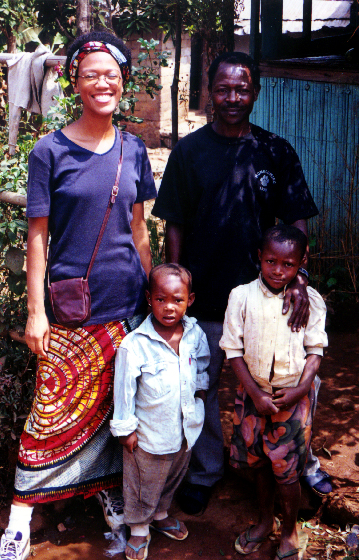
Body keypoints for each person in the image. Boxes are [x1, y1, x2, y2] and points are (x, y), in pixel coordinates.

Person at [0, 31, 157, 560]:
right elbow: (37, 235)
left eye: (112, 75)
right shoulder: (50, 150)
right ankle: (20, 520)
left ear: (123, 82)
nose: (103, 83)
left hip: (124, 308)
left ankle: (109, 497)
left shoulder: (134, 150)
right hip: (69, 312)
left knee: (114, 411)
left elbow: (139, 229)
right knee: (49, 412)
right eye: (92, 74)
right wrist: (35, 311)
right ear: (75, 81)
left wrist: (154, 297)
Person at [152, 51, 331, 515]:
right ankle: (208, 470)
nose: (233, 97)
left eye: (242, 88)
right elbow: (174, 222)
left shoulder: (275, 151)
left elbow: (295, 220)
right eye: (224, 88)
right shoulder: (189, 152)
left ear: (255, 92)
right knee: (204, 387)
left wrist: (299, 279)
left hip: (269, 301)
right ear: (210, 93)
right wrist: (179, 285)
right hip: (206, 296)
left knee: (284, 381)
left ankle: (290, 463)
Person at [220, 224, 328, 560]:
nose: (278, 270)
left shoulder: (310, 301)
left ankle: (290, 529)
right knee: (259, 464)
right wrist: (253, 393)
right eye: (270, 262)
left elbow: (315, 351)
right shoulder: (241, 296)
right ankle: (265, 520)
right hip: (252, 397)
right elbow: (233, 351)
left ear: (301, 264)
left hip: (292, 400)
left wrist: (301, 390)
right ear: (259, 258)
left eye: (288, 265)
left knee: (287, 470)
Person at [110, 263, 210, 560]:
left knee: (173, 474)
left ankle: (161, 513)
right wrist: (125, 429)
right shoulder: (135, 344)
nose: (169, 307)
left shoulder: (195, 334)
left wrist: (200, 395)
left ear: (189, 300)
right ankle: (139, 527)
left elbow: (202, 365)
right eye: (160, 299)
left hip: (184, 428)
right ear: (148, 298)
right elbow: (124, 390)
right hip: (148, 434)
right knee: (143, 482)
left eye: (177, 300)